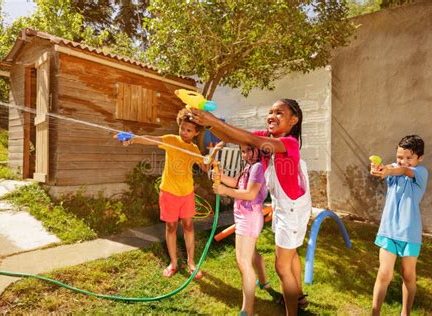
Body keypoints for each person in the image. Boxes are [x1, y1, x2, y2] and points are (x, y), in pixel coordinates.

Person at [190, 99, 311, 316]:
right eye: (270, 111)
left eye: (279, 113)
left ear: (294, 120)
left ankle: (292, 311)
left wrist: (213, 120)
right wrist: (208, 124)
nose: (272, 116)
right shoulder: (267, 137)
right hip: (285, 207)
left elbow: (249, 139)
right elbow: (235, 137)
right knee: (290, 256)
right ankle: (299, 298)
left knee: (282, 267)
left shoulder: (289, 142)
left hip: (292, 209)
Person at [115, 108, 208, 279]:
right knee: (171, 226)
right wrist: (133, 138)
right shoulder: (171, 140)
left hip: (186, 193)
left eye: (189, 130)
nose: (184, 132)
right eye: (182, 128)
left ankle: (191, 262)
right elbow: (151, 139)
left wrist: (210, 158)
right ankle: (173, 262)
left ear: (196, 133)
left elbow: (204, 166)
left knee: (188, 226)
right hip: (169, 192)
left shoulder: (194, 149)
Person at [370, 135, 428, 316]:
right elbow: (390, 169)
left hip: (410, 233)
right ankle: (375, 313)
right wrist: (379, 169)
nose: (403, 161)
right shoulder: (394, 169)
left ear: (420, 158)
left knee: (408, 275)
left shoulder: (421, 173)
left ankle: (405, 313)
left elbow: (403, 171)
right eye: (399, 157)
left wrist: (391, 169)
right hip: (389, 230)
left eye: (409, 157)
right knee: (384, 273)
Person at [212, 145, 270, 316]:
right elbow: (236, 183)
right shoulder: (248, 167)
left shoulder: (258, 167)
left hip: (249, 218)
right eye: (242, 151)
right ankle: (264, 281)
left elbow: (250, 194)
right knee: (251, 254)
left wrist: (225, 191)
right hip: (244, 216)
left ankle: (248, 310)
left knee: (243, 262)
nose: (244, 155)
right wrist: (220, 176)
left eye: (248, 151)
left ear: (258, 151)